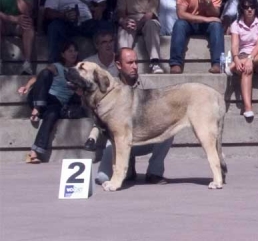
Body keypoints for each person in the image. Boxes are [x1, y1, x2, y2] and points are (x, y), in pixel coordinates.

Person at [95, 48, 174, 185]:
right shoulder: (109, 87)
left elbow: (159, 112)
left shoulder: (147, 85)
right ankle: (128, 169)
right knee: (102, 178)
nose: (135, 66)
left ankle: (154, 172)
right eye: (130, 63)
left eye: (136, 62)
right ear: (119, 65)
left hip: (143, 138)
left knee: (169, 128)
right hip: (117, 140)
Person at [18, 41, 81, 163]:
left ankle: (34, 152)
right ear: (63, 54)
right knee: (45, 73)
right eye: (70, 51)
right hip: (42, 97)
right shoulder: (57, 66)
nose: (73, 53)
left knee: (52, 115)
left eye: (75, 51)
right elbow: (39, 77)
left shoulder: (78, 71)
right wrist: (26, 86)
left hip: (56, 105)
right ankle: (37, 109)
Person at [169, 0, 224, 74]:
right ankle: (175, 64)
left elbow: (216, 14)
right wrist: (205, 19)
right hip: (190, 22)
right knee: (179, 24)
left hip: (207, 25)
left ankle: (217, 63)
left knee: (217, 25)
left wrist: (208, 1)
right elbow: (181, 14)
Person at [116, 0, 164, 74]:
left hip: (147, 19)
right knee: (124, 28)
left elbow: (151, 13)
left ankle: (155, 62)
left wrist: (139, 24)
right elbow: (121, 10)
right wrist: (124, 21)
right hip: (130, 18)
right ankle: (123, 63)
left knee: (152, 24)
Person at [82, 29, 118, 151]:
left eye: (111, 41)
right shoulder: (88, 63)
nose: (108, 45)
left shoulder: (120, 61)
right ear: (97, 46)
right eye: (104, 42)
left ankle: (93, 137)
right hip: (94, 103)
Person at [0, 0, 35, 75]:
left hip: (20, 23)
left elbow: (27, 12)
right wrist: (12, 19)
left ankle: (27, 63)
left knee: (28, 23)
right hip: (5, 21)